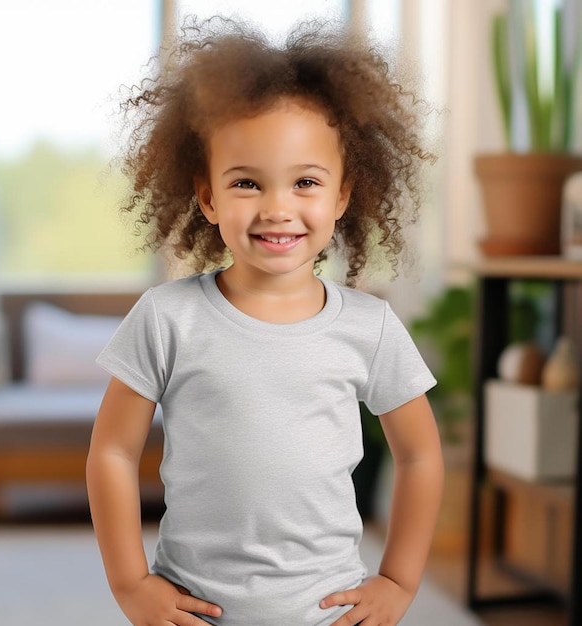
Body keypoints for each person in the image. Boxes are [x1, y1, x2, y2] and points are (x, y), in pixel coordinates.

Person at [86, 16, 444, 626]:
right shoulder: (167, 317)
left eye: (305, 181)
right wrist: (129, 585)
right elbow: (112, 453)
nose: (277, 208)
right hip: (193, 612)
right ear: (207, 197)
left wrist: (399, 582)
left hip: (327, 613)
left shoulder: (370, 327)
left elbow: (420, 456)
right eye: (247, 182)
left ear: (342, 195)